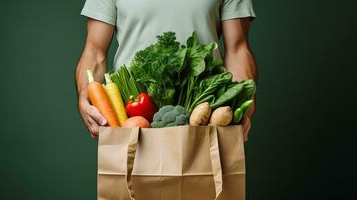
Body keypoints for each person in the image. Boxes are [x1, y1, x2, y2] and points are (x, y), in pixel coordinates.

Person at [75, 0, 258, 141]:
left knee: (206, 189)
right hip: (130, 120)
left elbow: (238, 49)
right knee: (129, 188)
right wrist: (86, 94)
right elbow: (95, 51)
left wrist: (243, 106)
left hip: (204, 115)